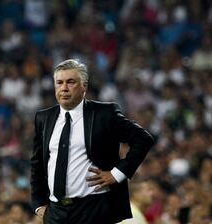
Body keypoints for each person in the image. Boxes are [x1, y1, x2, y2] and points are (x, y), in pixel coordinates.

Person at [30, 59, 155, 223]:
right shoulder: (44, 118)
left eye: (71, 82)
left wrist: (117, 174)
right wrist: (39, 204)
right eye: (59, 83)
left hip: (93, 208)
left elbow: (143, 139)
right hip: (55, 212)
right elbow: (37, 163)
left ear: (84, 86)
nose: (64, 88)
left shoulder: (104, 114)